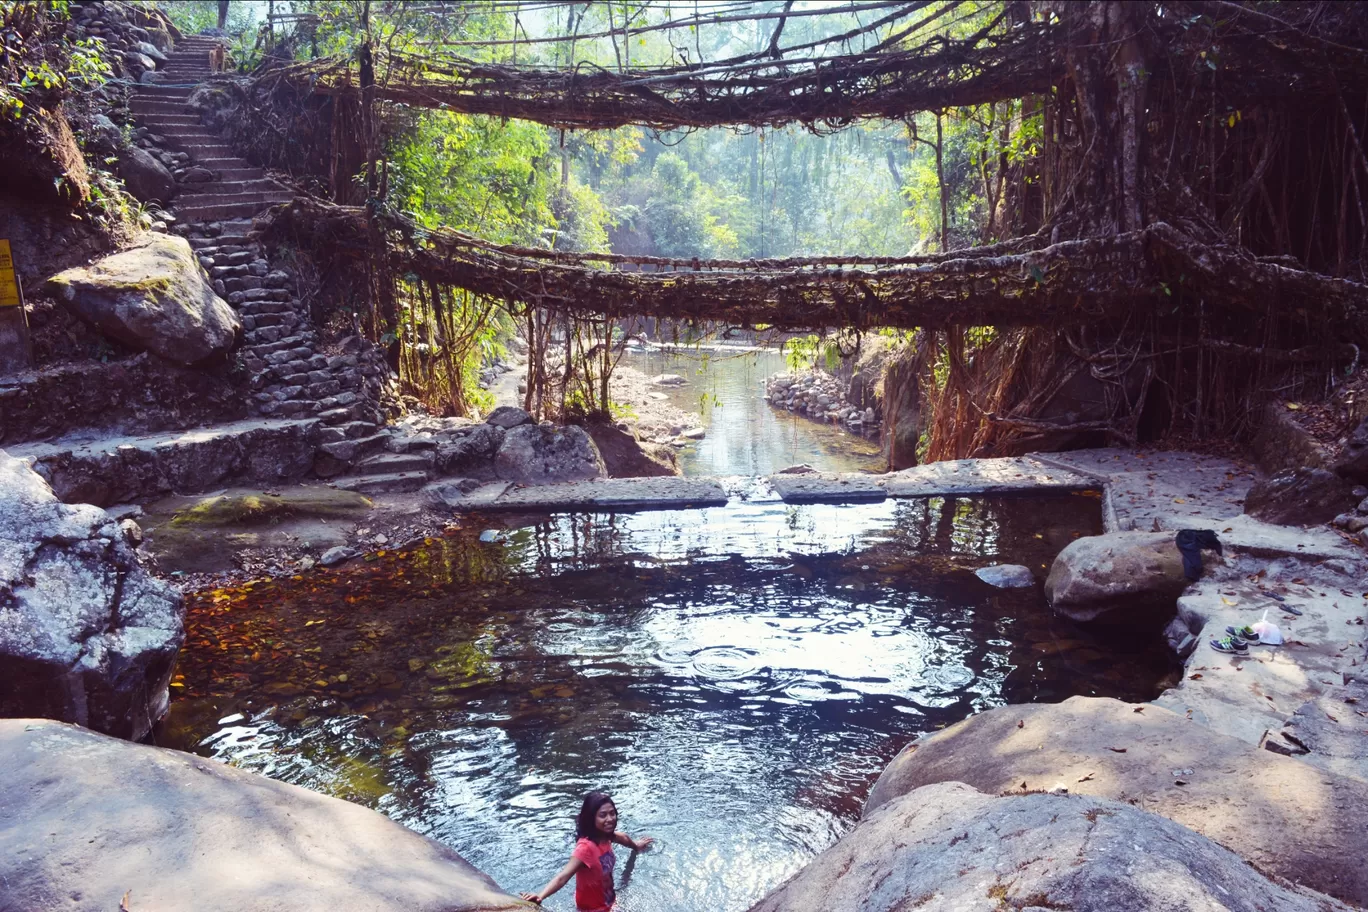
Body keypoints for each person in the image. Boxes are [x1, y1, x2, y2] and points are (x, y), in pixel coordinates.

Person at [520, 791, 653, 910]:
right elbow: (563, 877)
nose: (610, 819)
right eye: (603, 815)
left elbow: (622, 837)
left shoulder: (605, 837)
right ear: (591, 818)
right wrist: (540, 896)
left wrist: (636, 845)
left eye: (612, 813)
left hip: (610, 902)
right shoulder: (586, 848)